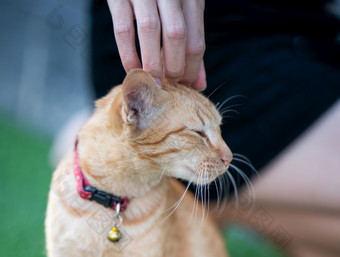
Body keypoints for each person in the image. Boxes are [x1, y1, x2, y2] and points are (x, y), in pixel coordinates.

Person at [91, 0, 340, 256]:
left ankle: (202, 206)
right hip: (189, 41)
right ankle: (125, 164)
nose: (229, 157)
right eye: (199, 134)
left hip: (309, 36)